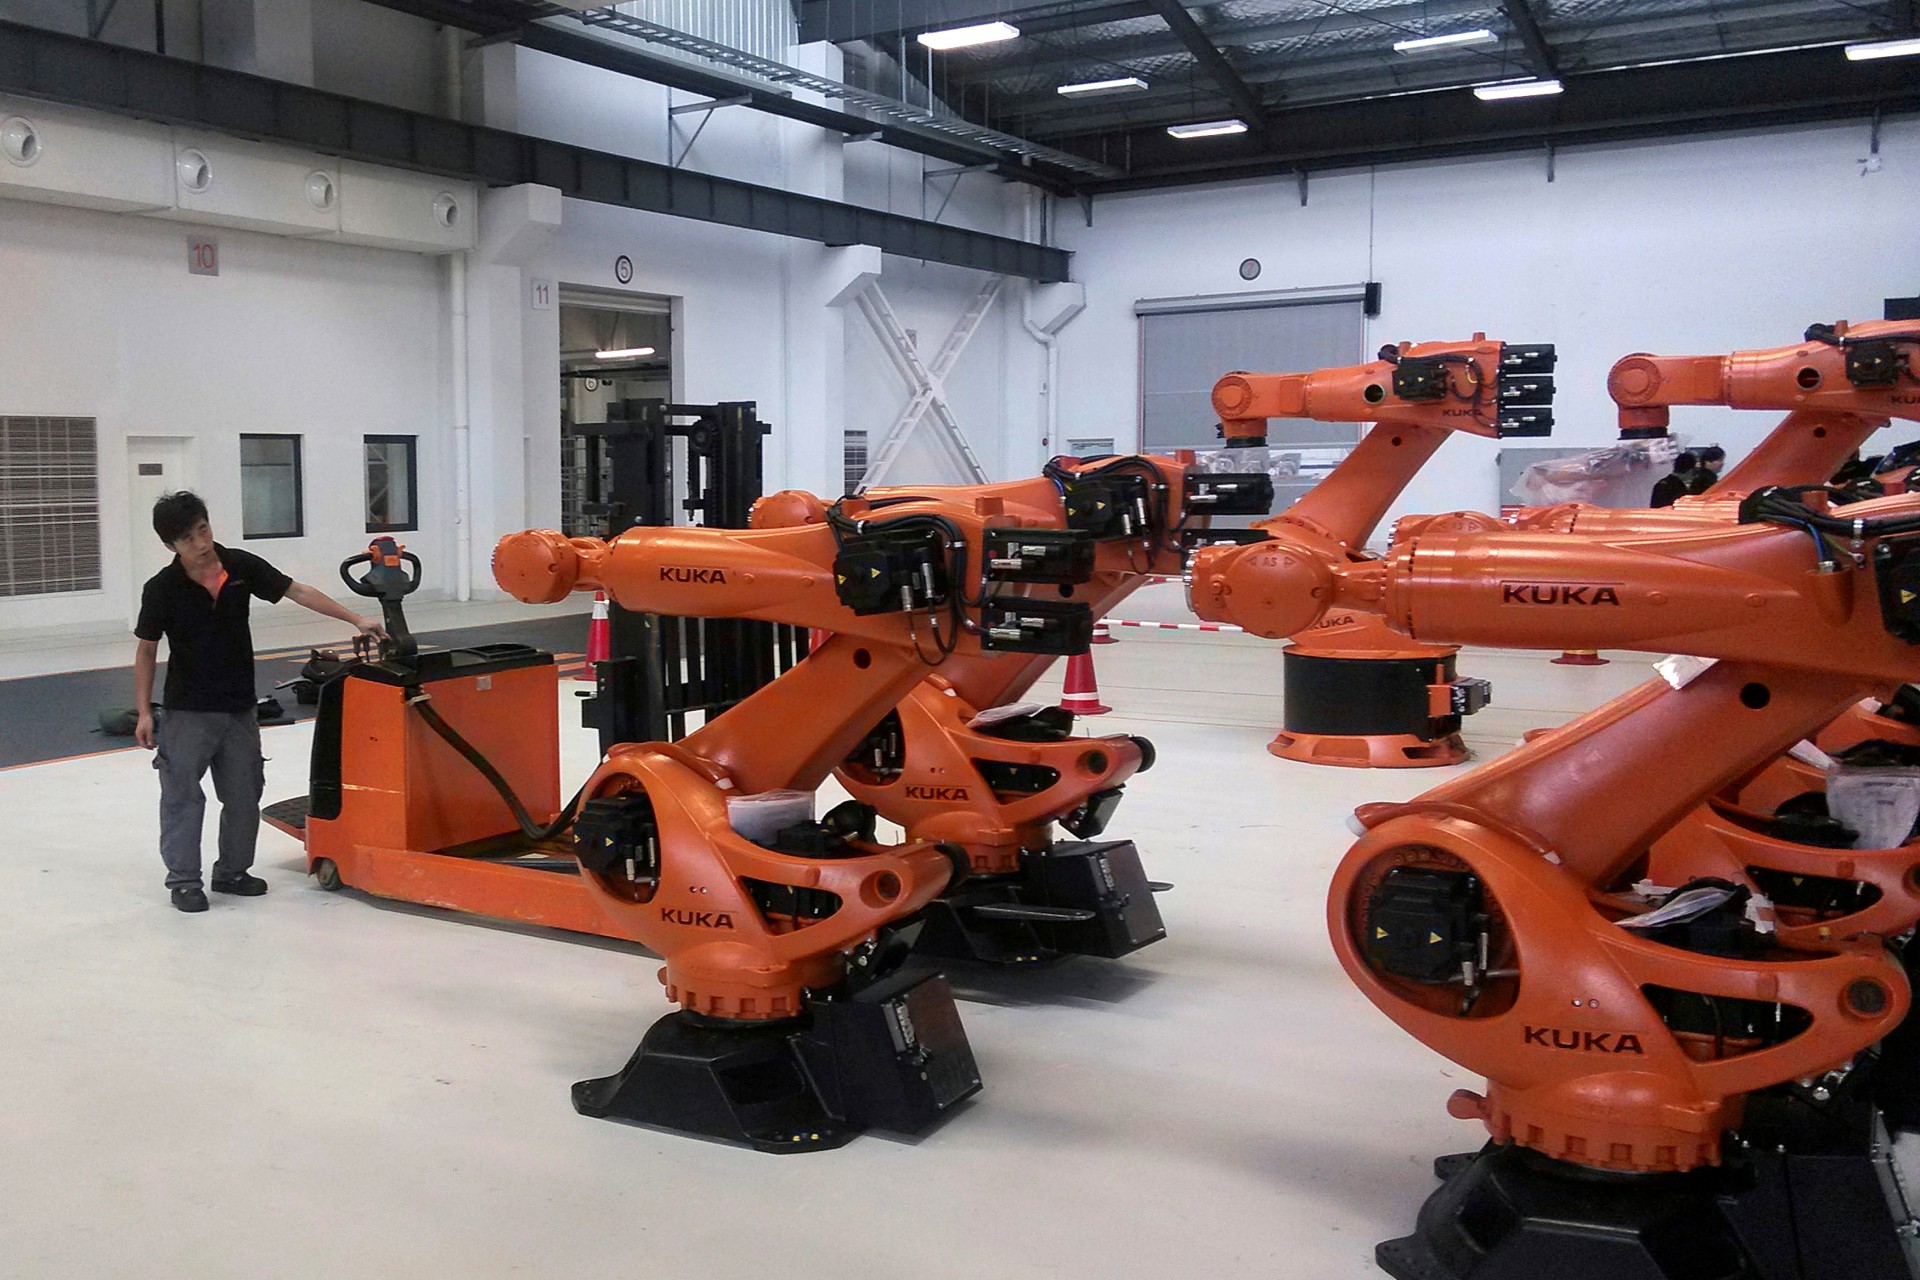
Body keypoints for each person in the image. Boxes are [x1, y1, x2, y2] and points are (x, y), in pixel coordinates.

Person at [134, 492, 386, 913]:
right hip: (188, 711)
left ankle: (232, 872)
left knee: (243, 794)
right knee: (182, 798)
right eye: (188, 538)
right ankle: (184, 882)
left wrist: (356, 619)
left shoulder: (240, 566)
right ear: (170, 545)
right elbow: (146, 650)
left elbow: (298, 591)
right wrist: (144, 712)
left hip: (239, 708)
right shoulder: (161, 589)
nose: (201, 542)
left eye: (203, 529)